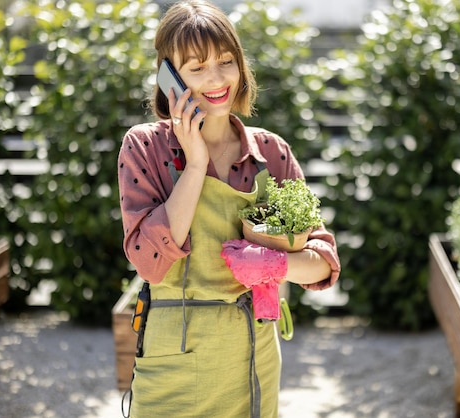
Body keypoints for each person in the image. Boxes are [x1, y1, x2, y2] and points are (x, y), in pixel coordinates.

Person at [117, 1, 341, 417]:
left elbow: (324, 265)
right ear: (170, 78)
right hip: (174, 361)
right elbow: (150, 264)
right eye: (196, 68)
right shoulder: (144, 146)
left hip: (253, 360)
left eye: (226, 61)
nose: (217, 79)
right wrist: (196, 162)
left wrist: (274, 265)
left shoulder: (271, 152)